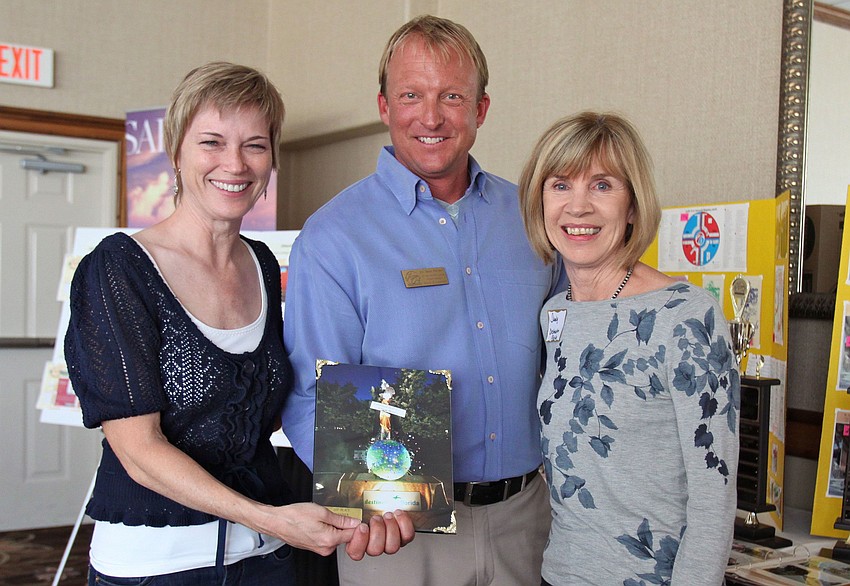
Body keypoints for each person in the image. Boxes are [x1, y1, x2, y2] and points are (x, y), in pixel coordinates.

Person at [64, 61, 413, 586]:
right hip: (158, 565)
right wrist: (268, 516)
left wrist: (386, 481)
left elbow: (261, 413)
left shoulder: (263, 264)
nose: (235, 163)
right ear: (176, 151)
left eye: (254, 144)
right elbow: (138, 450)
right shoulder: (117, 269)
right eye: (211, 142)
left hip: (264, 557)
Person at [281, 14, 561, 586]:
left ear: (481, 109)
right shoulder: (333, 237)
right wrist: (374, 498)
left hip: (531, 520)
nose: (431, 117)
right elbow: (310, 393)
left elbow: (567, 355)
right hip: (402, 533)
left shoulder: (533, 217)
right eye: (411, 95)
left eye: (451, 96)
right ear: (384, 106)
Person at [517, 111, 739, 585]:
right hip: (559, 574)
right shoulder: (554, 314)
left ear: (634, 205)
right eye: (560, 185)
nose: (578, 207)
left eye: (602, 186)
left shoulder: (686, 314)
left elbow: (713, 492)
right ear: (539, 203)